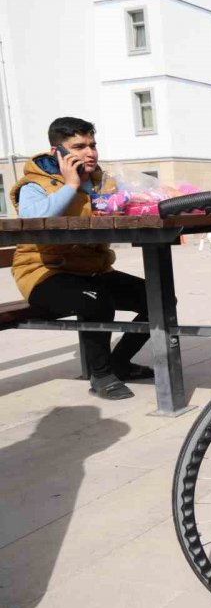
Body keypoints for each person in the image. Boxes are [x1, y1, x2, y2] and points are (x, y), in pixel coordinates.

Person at [8, 117, 153, 400]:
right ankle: (100, 375)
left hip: (92, 270)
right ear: (57, 152)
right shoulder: (35, 184)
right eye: (78, 146)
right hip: (44, 274)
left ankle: (119, 362)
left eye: (92, 145)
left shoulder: (102, 182)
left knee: (158, 297)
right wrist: (71, 184)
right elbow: (33, 219)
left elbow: (129, 206)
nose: (90, 152)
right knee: (96, 300)